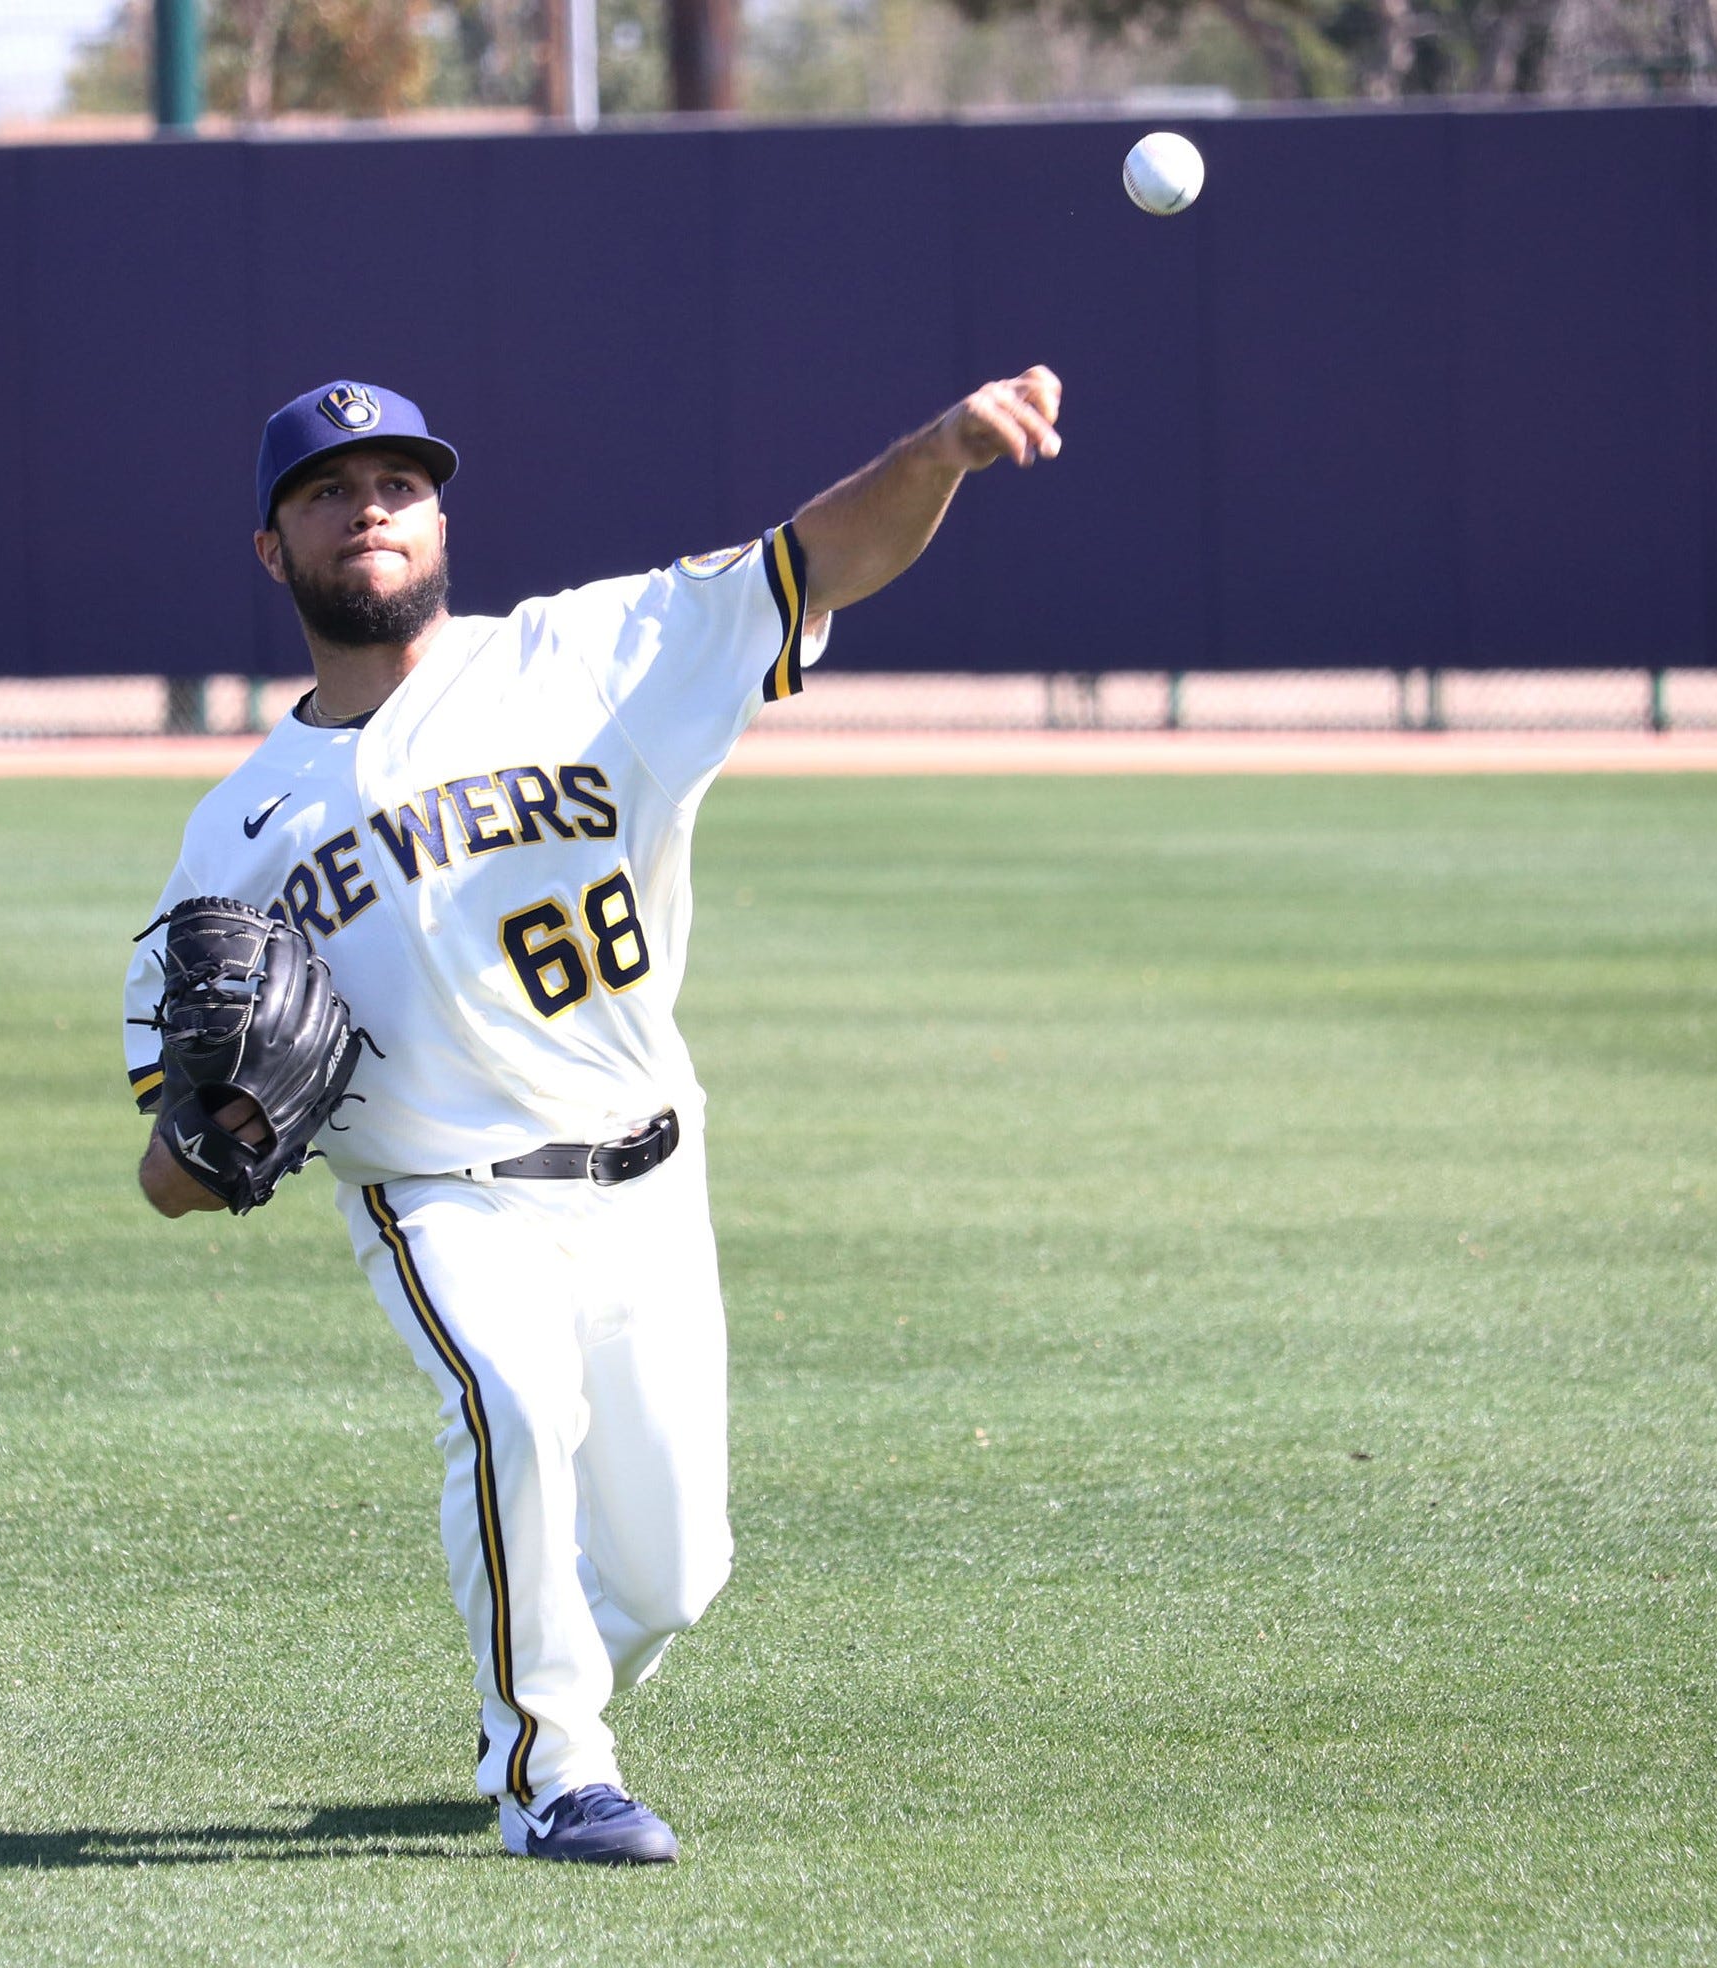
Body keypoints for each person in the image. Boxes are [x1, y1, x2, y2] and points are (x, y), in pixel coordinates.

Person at [124, 369, 1063, 1865]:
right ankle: (552, 1770)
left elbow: (817, 557)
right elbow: (172, 1161)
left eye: (397, 484)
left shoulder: (594, 654)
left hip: (647, 1170)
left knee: (677, 1576)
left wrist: (944, 452)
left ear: (437, 517)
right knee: (506, 1403)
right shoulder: (234, 828)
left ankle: (543, 1683)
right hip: (439, 1195)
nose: (368, 508)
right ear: (271, 549)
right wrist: (210, 1140)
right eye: (326, 492)